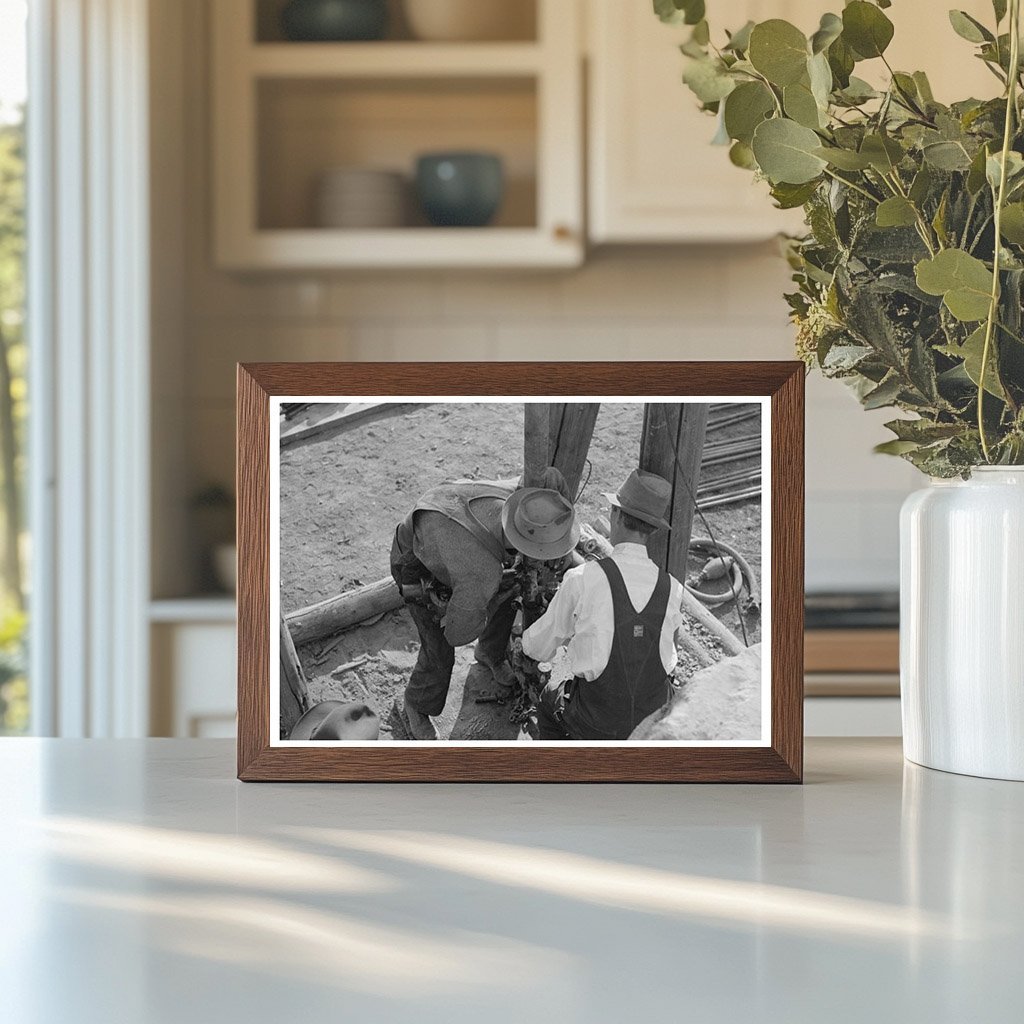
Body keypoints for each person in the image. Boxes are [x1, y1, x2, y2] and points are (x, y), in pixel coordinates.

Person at [390, 467, 579, 740]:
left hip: (449, 517)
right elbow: (457, 634)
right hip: (417, 557)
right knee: (438, 647)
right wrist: (489, 601)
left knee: (510, 583)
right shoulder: (481, 572)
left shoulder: (525, 502)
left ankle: (490, 653)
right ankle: (417, 705)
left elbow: (551, 479)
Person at [522, 469, 685, 741]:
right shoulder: (673, 589)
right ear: (653, 529)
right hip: (653, 721)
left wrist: (525, 642)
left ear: (616, 515)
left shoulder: (582, 578)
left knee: (548, 701)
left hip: (596, 723)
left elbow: (539, 647)